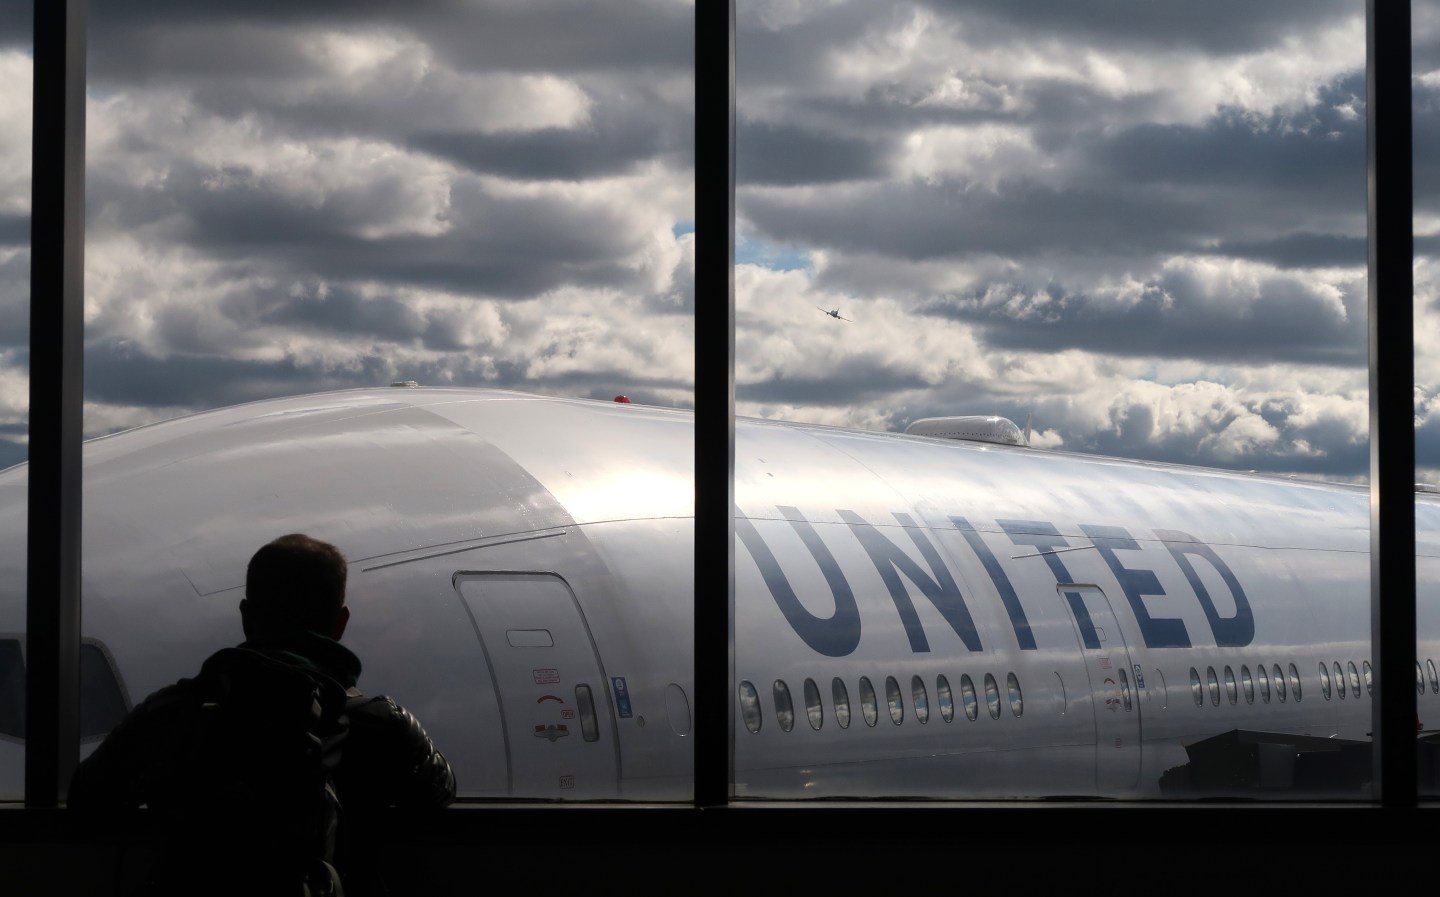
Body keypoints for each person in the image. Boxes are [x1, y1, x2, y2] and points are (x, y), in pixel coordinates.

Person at [69, 533, 456, 896]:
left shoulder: (170, 713)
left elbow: (86, 798)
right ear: (340, 624)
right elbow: (439, 790)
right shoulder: (379, 724)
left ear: (246, 615)